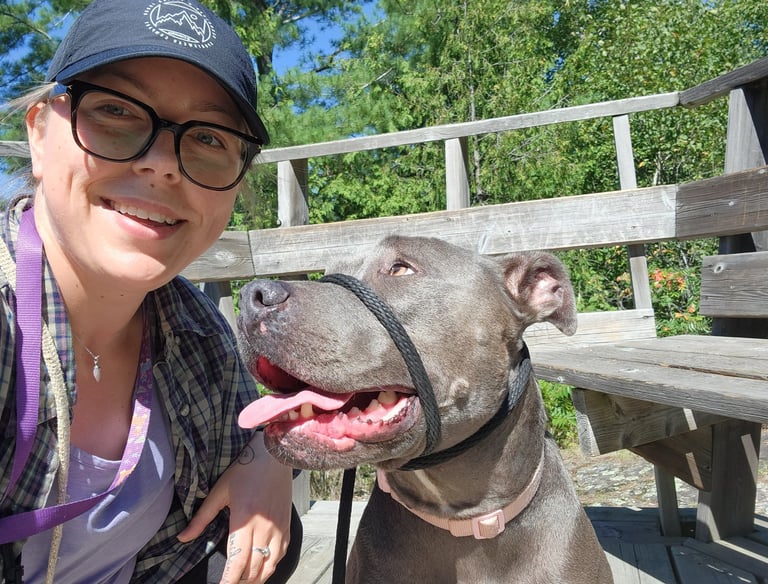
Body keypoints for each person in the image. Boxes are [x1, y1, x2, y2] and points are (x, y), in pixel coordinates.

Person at [0, 0, 301, 582]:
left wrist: (267, 458)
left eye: (209, 137)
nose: (164, 164)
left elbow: (261, 416)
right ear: (39, 132)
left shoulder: (195, 330)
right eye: (115, 110)